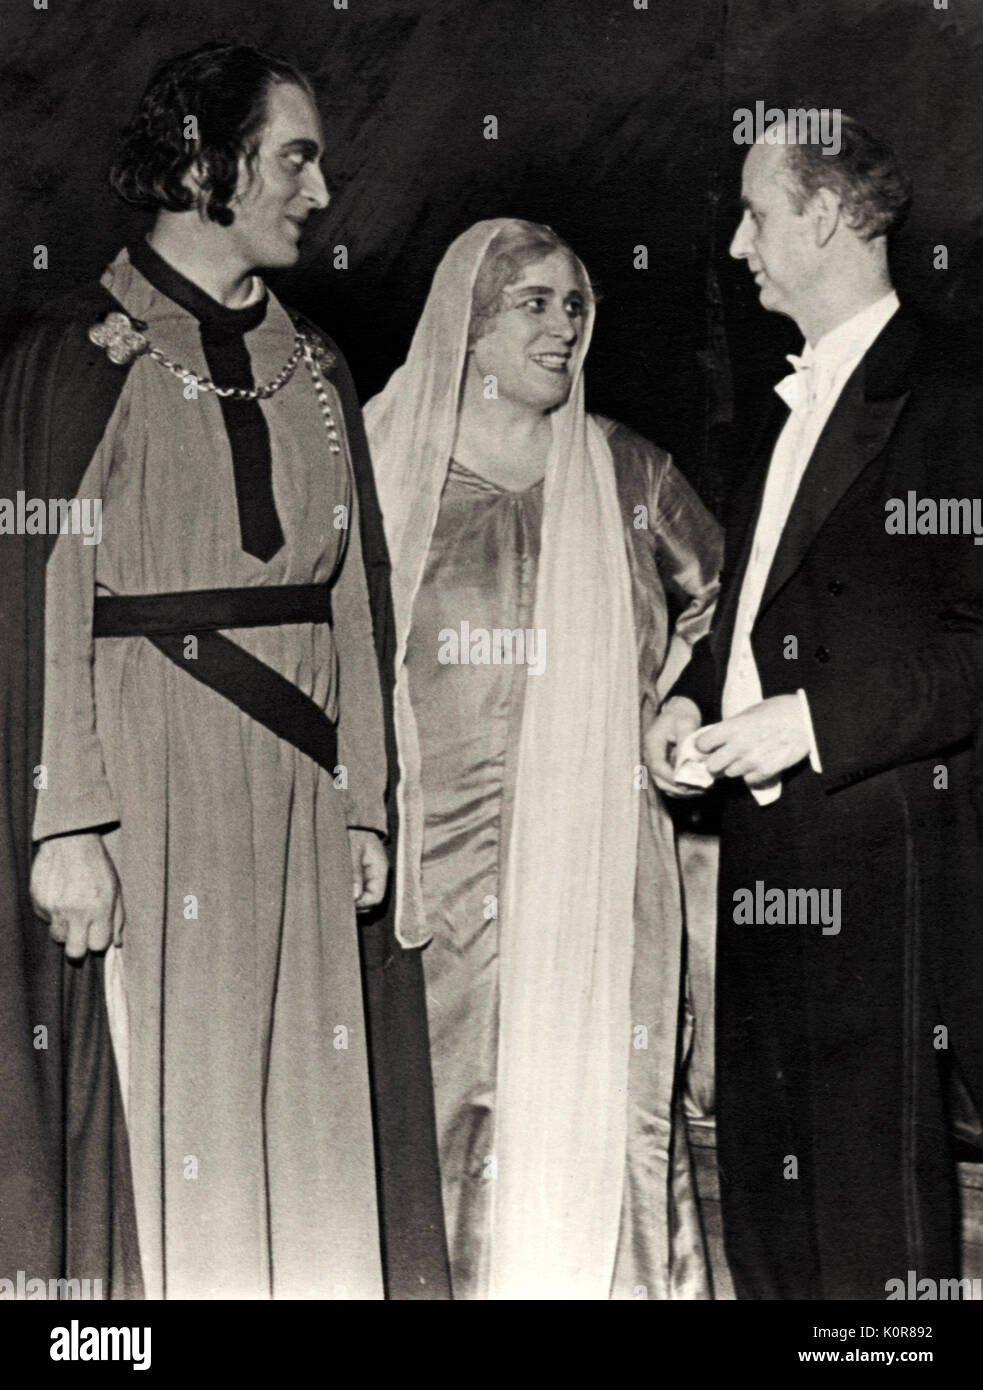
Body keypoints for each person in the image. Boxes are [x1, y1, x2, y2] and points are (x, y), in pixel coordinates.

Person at [1, 40, 401, 1300]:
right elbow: (44, 603)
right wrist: (66, 822)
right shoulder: (80, 358)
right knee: (183, 1114)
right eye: (294, 156)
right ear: (199, 163)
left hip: (299, 789)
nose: (320, 189)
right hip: (151, 785)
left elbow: (355, 603)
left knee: (315, 1103)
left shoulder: (322, 369)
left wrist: (368, 802)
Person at [646, 115, 983, 1299]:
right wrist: (685, 705)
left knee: (866, 1196)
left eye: (755, 213)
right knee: (765, 1179)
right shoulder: (784, 413)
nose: (736, 244)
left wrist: (813, 719)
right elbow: (736, 616)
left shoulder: (949, 394)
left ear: (826, 216)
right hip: (764, 845)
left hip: (881, 843)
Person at [364, 218, 722, 1299]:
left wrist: (681, 700)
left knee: (610, 1108)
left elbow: (728, 607)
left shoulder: (628, 474)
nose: (564, 325)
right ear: (468, 329)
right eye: (534, 303)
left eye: (576, 305)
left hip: (603, 862)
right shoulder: (386, 472)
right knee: (450, 1114)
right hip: (438, 870)